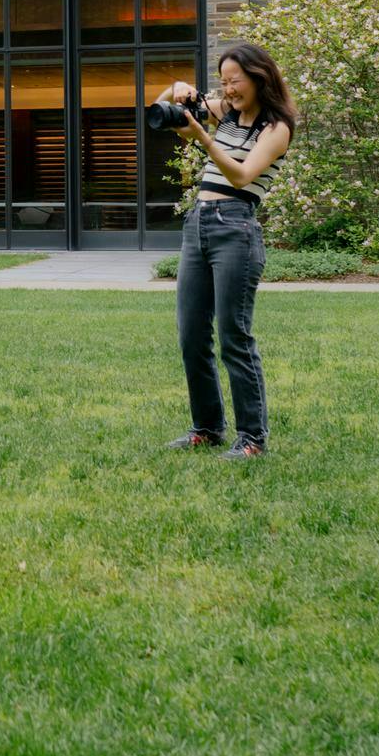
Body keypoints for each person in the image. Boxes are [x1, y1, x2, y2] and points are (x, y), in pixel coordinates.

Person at [151, 42, 296, 460]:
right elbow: (161, 113)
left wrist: (202, 138)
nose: (228, 90)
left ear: (259, 78)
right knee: (191, 335)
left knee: (234, 336)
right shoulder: (225, 114)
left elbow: (242, 175)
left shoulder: (275, 128)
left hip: (236, 228)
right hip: (198, 224)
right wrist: (176, 89)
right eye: (223, 82)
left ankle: (252, 438)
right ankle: (208, 428)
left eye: (236, 81)